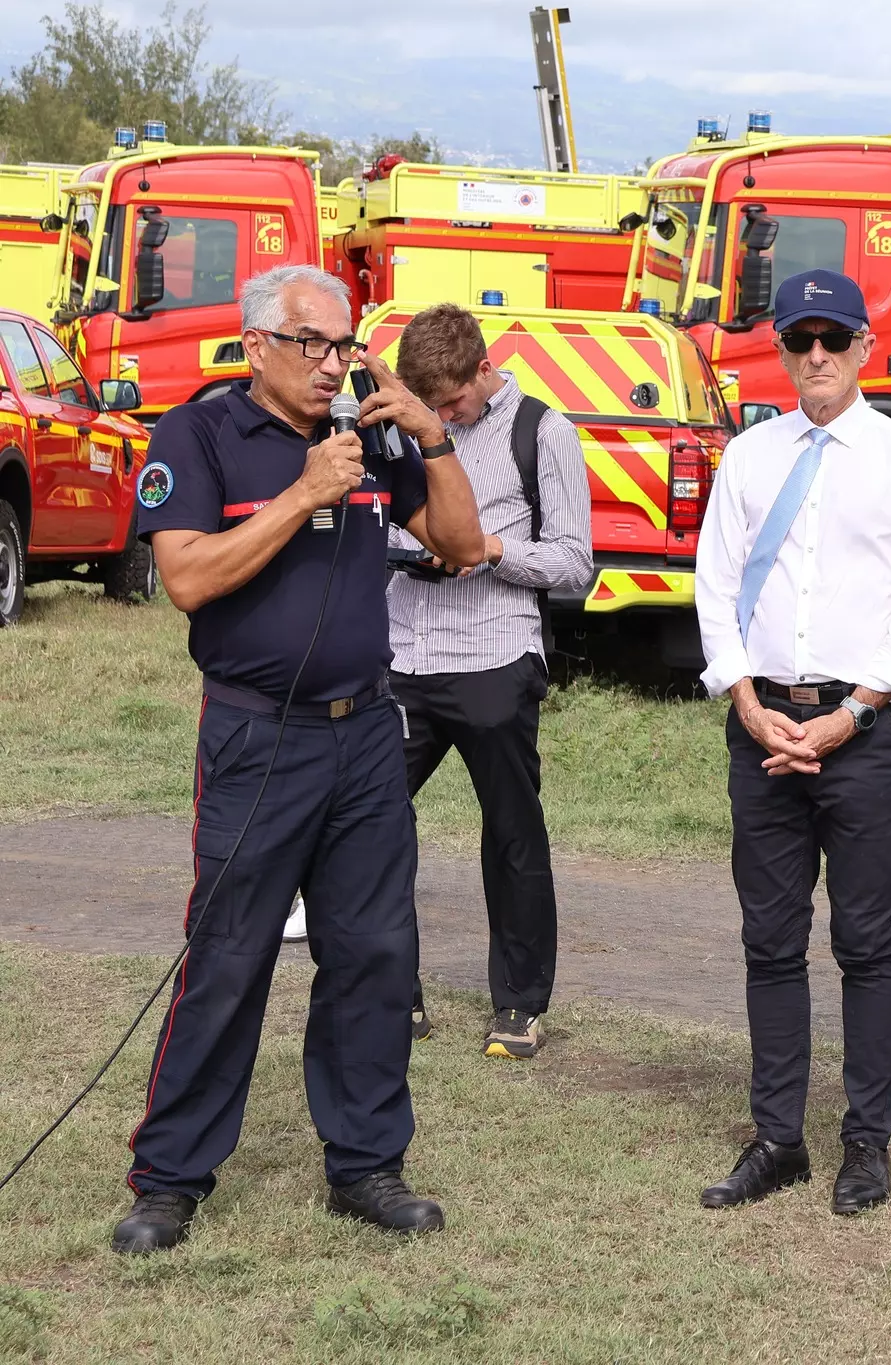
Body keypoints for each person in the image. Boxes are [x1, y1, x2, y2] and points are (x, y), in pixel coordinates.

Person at [112, 265, 484, 1254]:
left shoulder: (370, 438)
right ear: (256, 346)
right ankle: (170, 1178)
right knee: (229, 956)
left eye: (344, 345)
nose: (332, 364)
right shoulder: (199, 435)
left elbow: (461, 543)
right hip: (256, 738)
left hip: (365, 735)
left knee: (374, 953)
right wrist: (305, 492)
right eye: (311, 343)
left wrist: (431, 436)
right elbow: (188, 578)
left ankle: (366, 1164)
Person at [692, 269, 891, 1216]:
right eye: (799, 340)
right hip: (762, 726)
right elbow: (716, 585)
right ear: (781, 350)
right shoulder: (749, 456)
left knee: (866, 941)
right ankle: (777, 1139)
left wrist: (851, 715)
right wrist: (746, 700)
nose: (815, 357)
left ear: (864, 349)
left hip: (865, 730)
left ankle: (866, 1143)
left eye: (832, 339)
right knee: (769, 940)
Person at [385, 303, 594, 1056]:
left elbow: (575, 563)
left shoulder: (543, 431)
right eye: (429, 407)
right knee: (368, 824)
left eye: (451, 403)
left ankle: (519, 1004)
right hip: (402, 654)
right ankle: (391, 992)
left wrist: (489, 549)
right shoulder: (397, 428)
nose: (441, 418)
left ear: (483, 368)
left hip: (493, 655)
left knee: (511, 833)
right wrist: (405, 548)